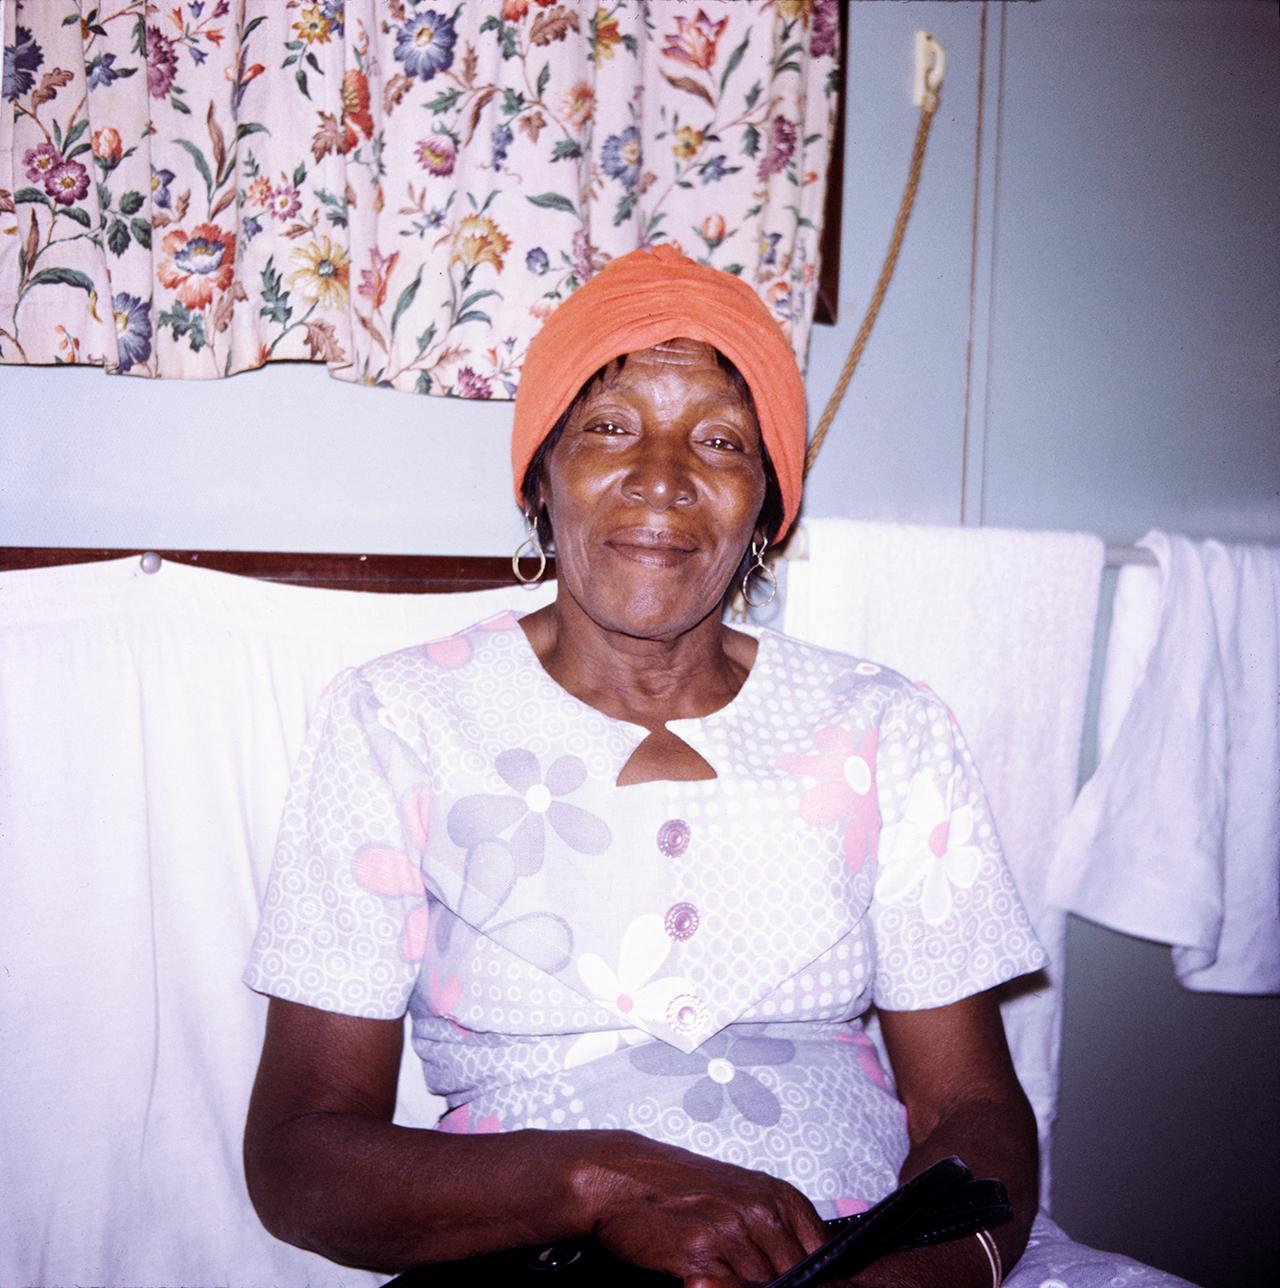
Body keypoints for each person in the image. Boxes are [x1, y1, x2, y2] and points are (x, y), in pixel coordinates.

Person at [243, 246, 1192, 1288]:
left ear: (764, 512)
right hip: (537, 1255)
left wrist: (919, 1275)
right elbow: (299, 1158)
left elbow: (969, 1106)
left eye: (719, 439)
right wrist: (601, 1184)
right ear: (539, 477)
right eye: (608, 426)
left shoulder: (880, 724)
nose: (660, 476)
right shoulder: (400, 719)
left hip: (873, 1247)